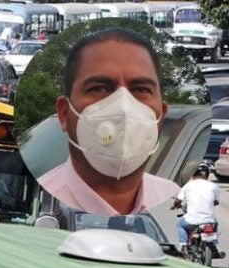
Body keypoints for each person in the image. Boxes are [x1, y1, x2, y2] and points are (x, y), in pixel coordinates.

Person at [38, 27, 180, 216]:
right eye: (99, 88)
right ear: (64, 114)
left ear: (161, 115)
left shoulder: (173, 200)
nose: (123, 108)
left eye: (140, 89)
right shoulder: (43, 201)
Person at [174, 163, 220, 251]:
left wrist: (175, 205)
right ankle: (213, 243)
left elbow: (178, 200)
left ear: (194, 174)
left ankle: (183, 245)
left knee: (180, 224)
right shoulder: (214, 186)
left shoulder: (188, 185)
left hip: (192, 220)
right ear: (207, 174)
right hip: (209, 221)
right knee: (215, 224)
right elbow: (216, 201)